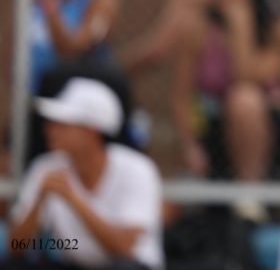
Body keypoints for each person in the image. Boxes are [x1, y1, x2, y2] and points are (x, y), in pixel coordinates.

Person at [170, 0, 280, 190]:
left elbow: (245, 74)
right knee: (239, 100)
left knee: (244, 99)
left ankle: (249, 195)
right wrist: (189, 145)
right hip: (213, 125)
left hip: (266, 131)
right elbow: (181, 94)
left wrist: (241, 23)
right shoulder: (198, 29)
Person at [3, 78, 163, 270]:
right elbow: (16, 247)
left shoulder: (136, 169)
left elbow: (124, 248)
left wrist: (73, 198)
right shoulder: (46, 167)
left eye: (63, 124)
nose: (50, 130)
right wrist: (39, 200)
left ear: (91, 130)